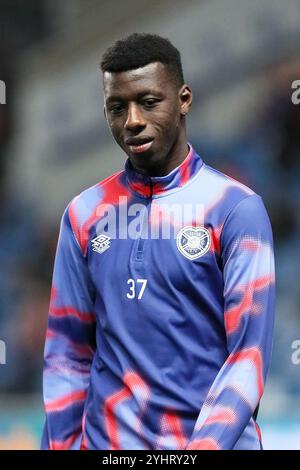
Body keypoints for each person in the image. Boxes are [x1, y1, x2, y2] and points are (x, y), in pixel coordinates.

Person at [41, 33, 275, 450]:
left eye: (149, 102)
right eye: (117, 107)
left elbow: (248, 358)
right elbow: (67, 353)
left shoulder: (235, 209)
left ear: (183, 99)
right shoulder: (83, 214)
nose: (132, 119)